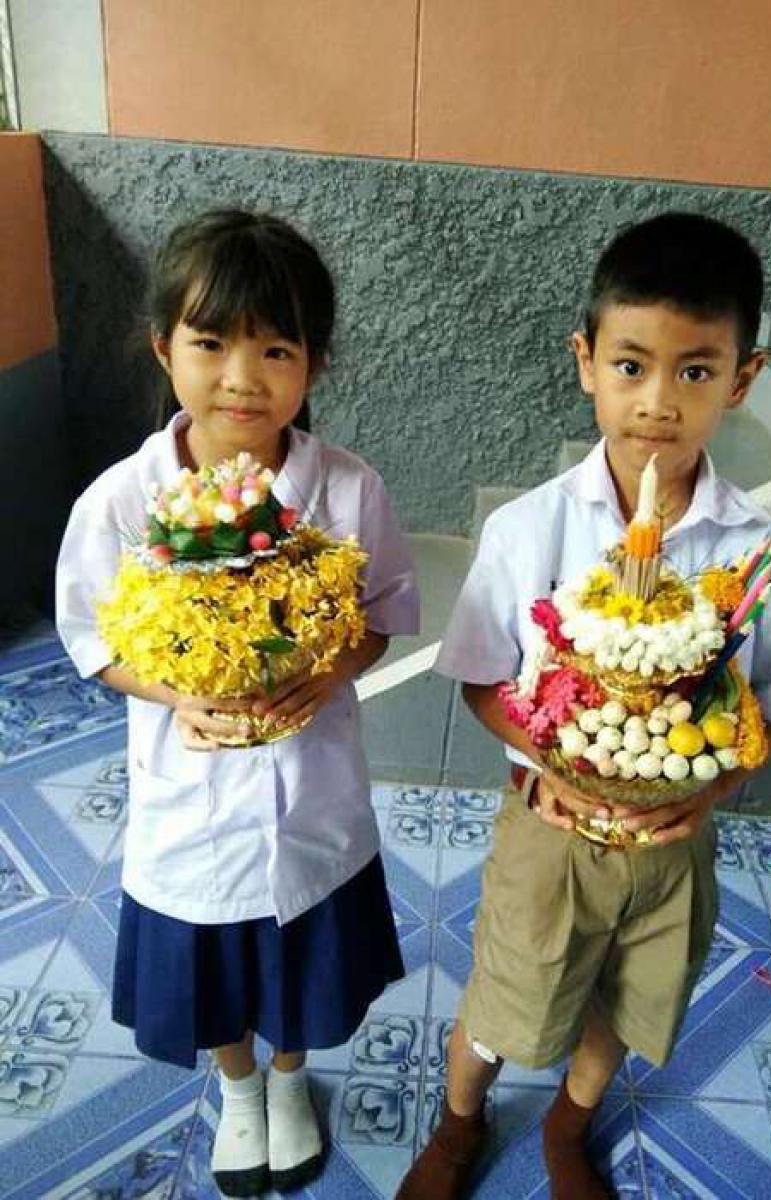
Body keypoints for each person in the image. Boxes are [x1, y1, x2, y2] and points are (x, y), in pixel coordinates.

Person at [397, 212, 771, 1200]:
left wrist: (708, 790)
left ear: (743, 380)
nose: (658, 401)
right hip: (549, 834)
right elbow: (481, 679)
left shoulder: (756, 553)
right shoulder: (529, 530)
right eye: (632, 365)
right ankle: (461, 1122)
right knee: (506, 999)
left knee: (630, 1005)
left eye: (696, 370)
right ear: (586, 363)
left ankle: (569, 1126)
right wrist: (556, 764)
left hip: (674, 848)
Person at [55, 209, 419, 1198]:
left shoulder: (347, 491)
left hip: (312, 791)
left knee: (303, 953)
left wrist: (330, 670)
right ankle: (239, 1087)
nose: (242, 377)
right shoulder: (120, 501)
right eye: (212, 343)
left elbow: (384, 613)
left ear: (315, 364)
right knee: (209, 954)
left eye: (277, 349)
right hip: (188, 795)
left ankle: (290, 1080)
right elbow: (92, 639)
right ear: (163, 347)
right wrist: (174, 692)